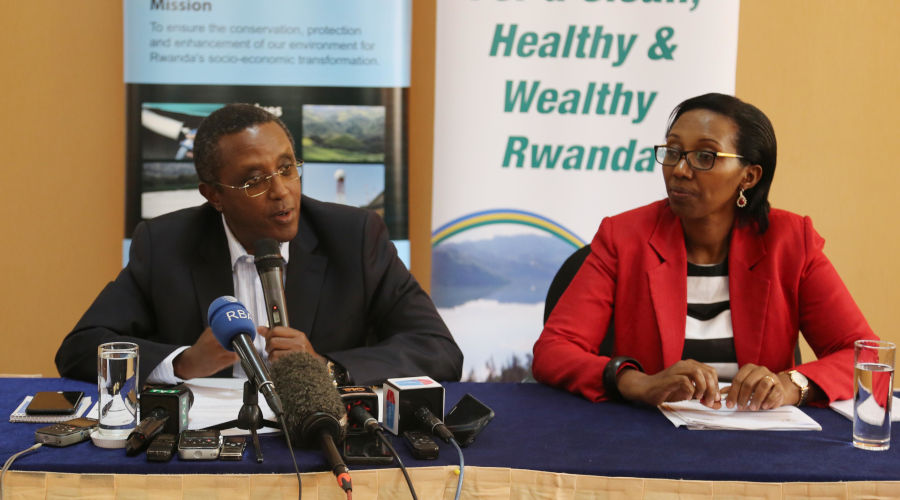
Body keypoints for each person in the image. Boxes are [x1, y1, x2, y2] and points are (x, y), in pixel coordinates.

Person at [56, 103, 463, 387]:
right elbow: (80, 348)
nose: (281, 191)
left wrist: (327, 368)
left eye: (286, 168)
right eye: (254, 181)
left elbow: (438, 350)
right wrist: (183, 363)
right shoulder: (165, 245)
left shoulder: (355, 236)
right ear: (214, 195)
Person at [532, 93, 877, 410]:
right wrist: (639, 383)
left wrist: (792, 385)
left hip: (759, 437)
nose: (680, 170)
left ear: (749, 176)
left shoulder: (789, 242)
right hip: (649, 434)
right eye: (673, 152)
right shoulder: (624, 237)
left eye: (704, 157)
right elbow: (554, 349)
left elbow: (867, 357)